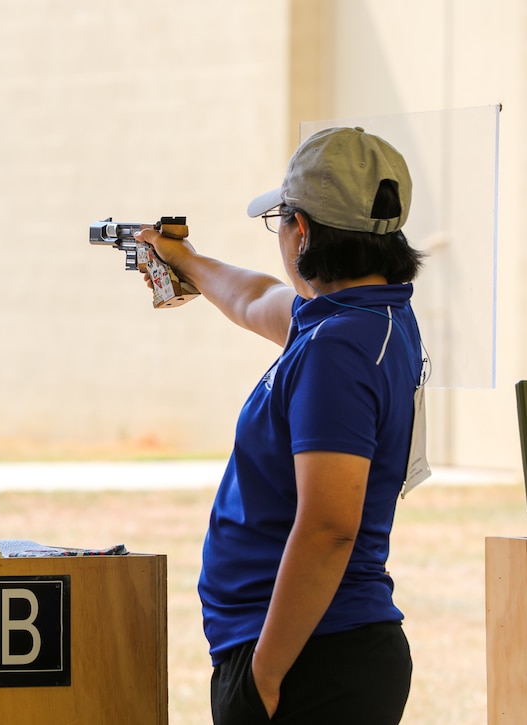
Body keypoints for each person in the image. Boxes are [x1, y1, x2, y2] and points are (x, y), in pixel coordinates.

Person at [137, 126, 426, 724]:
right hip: (320, 649)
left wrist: (265, 676)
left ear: (303, 230)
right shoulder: (361, 318)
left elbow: (328, 528)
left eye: (281, 221)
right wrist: (186, 261)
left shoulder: (337, 348)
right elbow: (255, 298)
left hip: (308, 661)